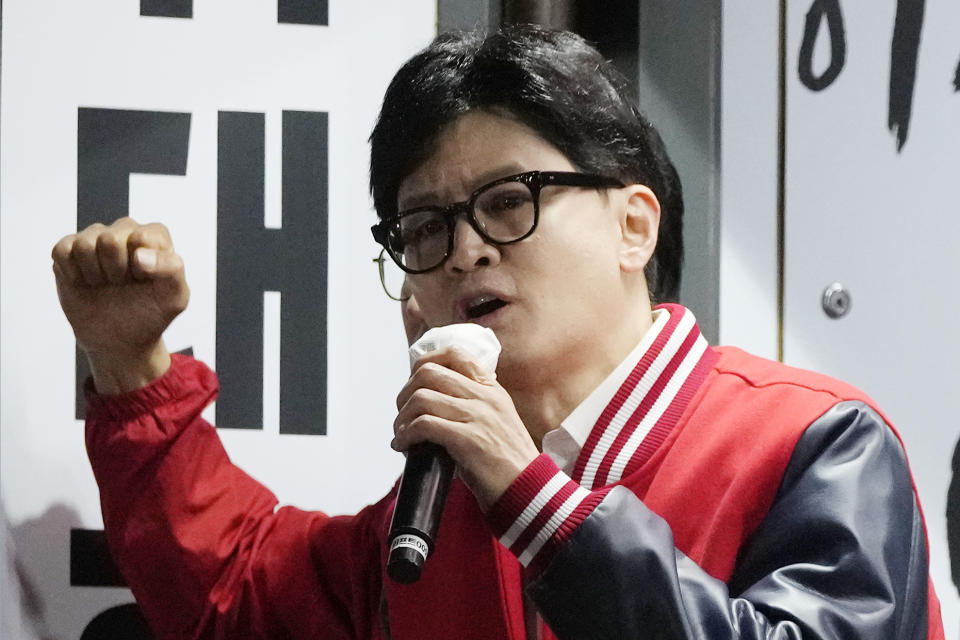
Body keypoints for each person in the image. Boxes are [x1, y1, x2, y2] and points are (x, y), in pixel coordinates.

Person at [52, 24, 944, 640]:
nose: (465, 252)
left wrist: (536, 504)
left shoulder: (811, 439)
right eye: (425, 228)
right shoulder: (437, 516)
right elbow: (237, 596)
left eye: (509, 201)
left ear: (636, 225)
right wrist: (130, 365)